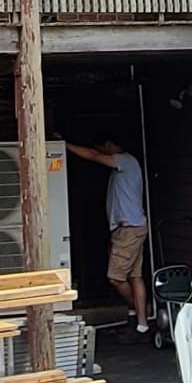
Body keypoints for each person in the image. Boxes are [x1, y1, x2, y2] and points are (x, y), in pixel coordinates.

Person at [66, 138, 149, 332]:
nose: (104, 151)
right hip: (134, 227)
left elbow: (95, 156)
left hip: (128, 230)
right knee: (135, 277)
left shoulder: (124, 160)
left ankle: (136, 310)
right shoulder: (129, 163)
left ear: (111, 144)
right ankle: (142, 324)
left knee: (116, 277)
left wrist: (66, 145)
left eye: (104, 147)